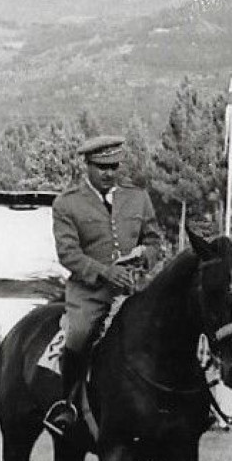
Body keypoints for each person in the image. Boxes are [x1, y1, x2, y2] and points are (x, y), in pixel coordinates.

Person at [44, 134, 163, 437]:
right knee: (78, 336)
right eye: (102, 167)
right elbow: (68, 254)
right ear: (87, 165)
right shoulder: (67, 204)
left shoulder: (138, 198)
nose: (109, 173)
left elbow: (152, 240)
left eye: (114, 166)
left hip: (135, 289)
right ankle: (67, 403)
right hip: (90, 294)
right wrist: (104, 273)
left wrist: (144, 259)